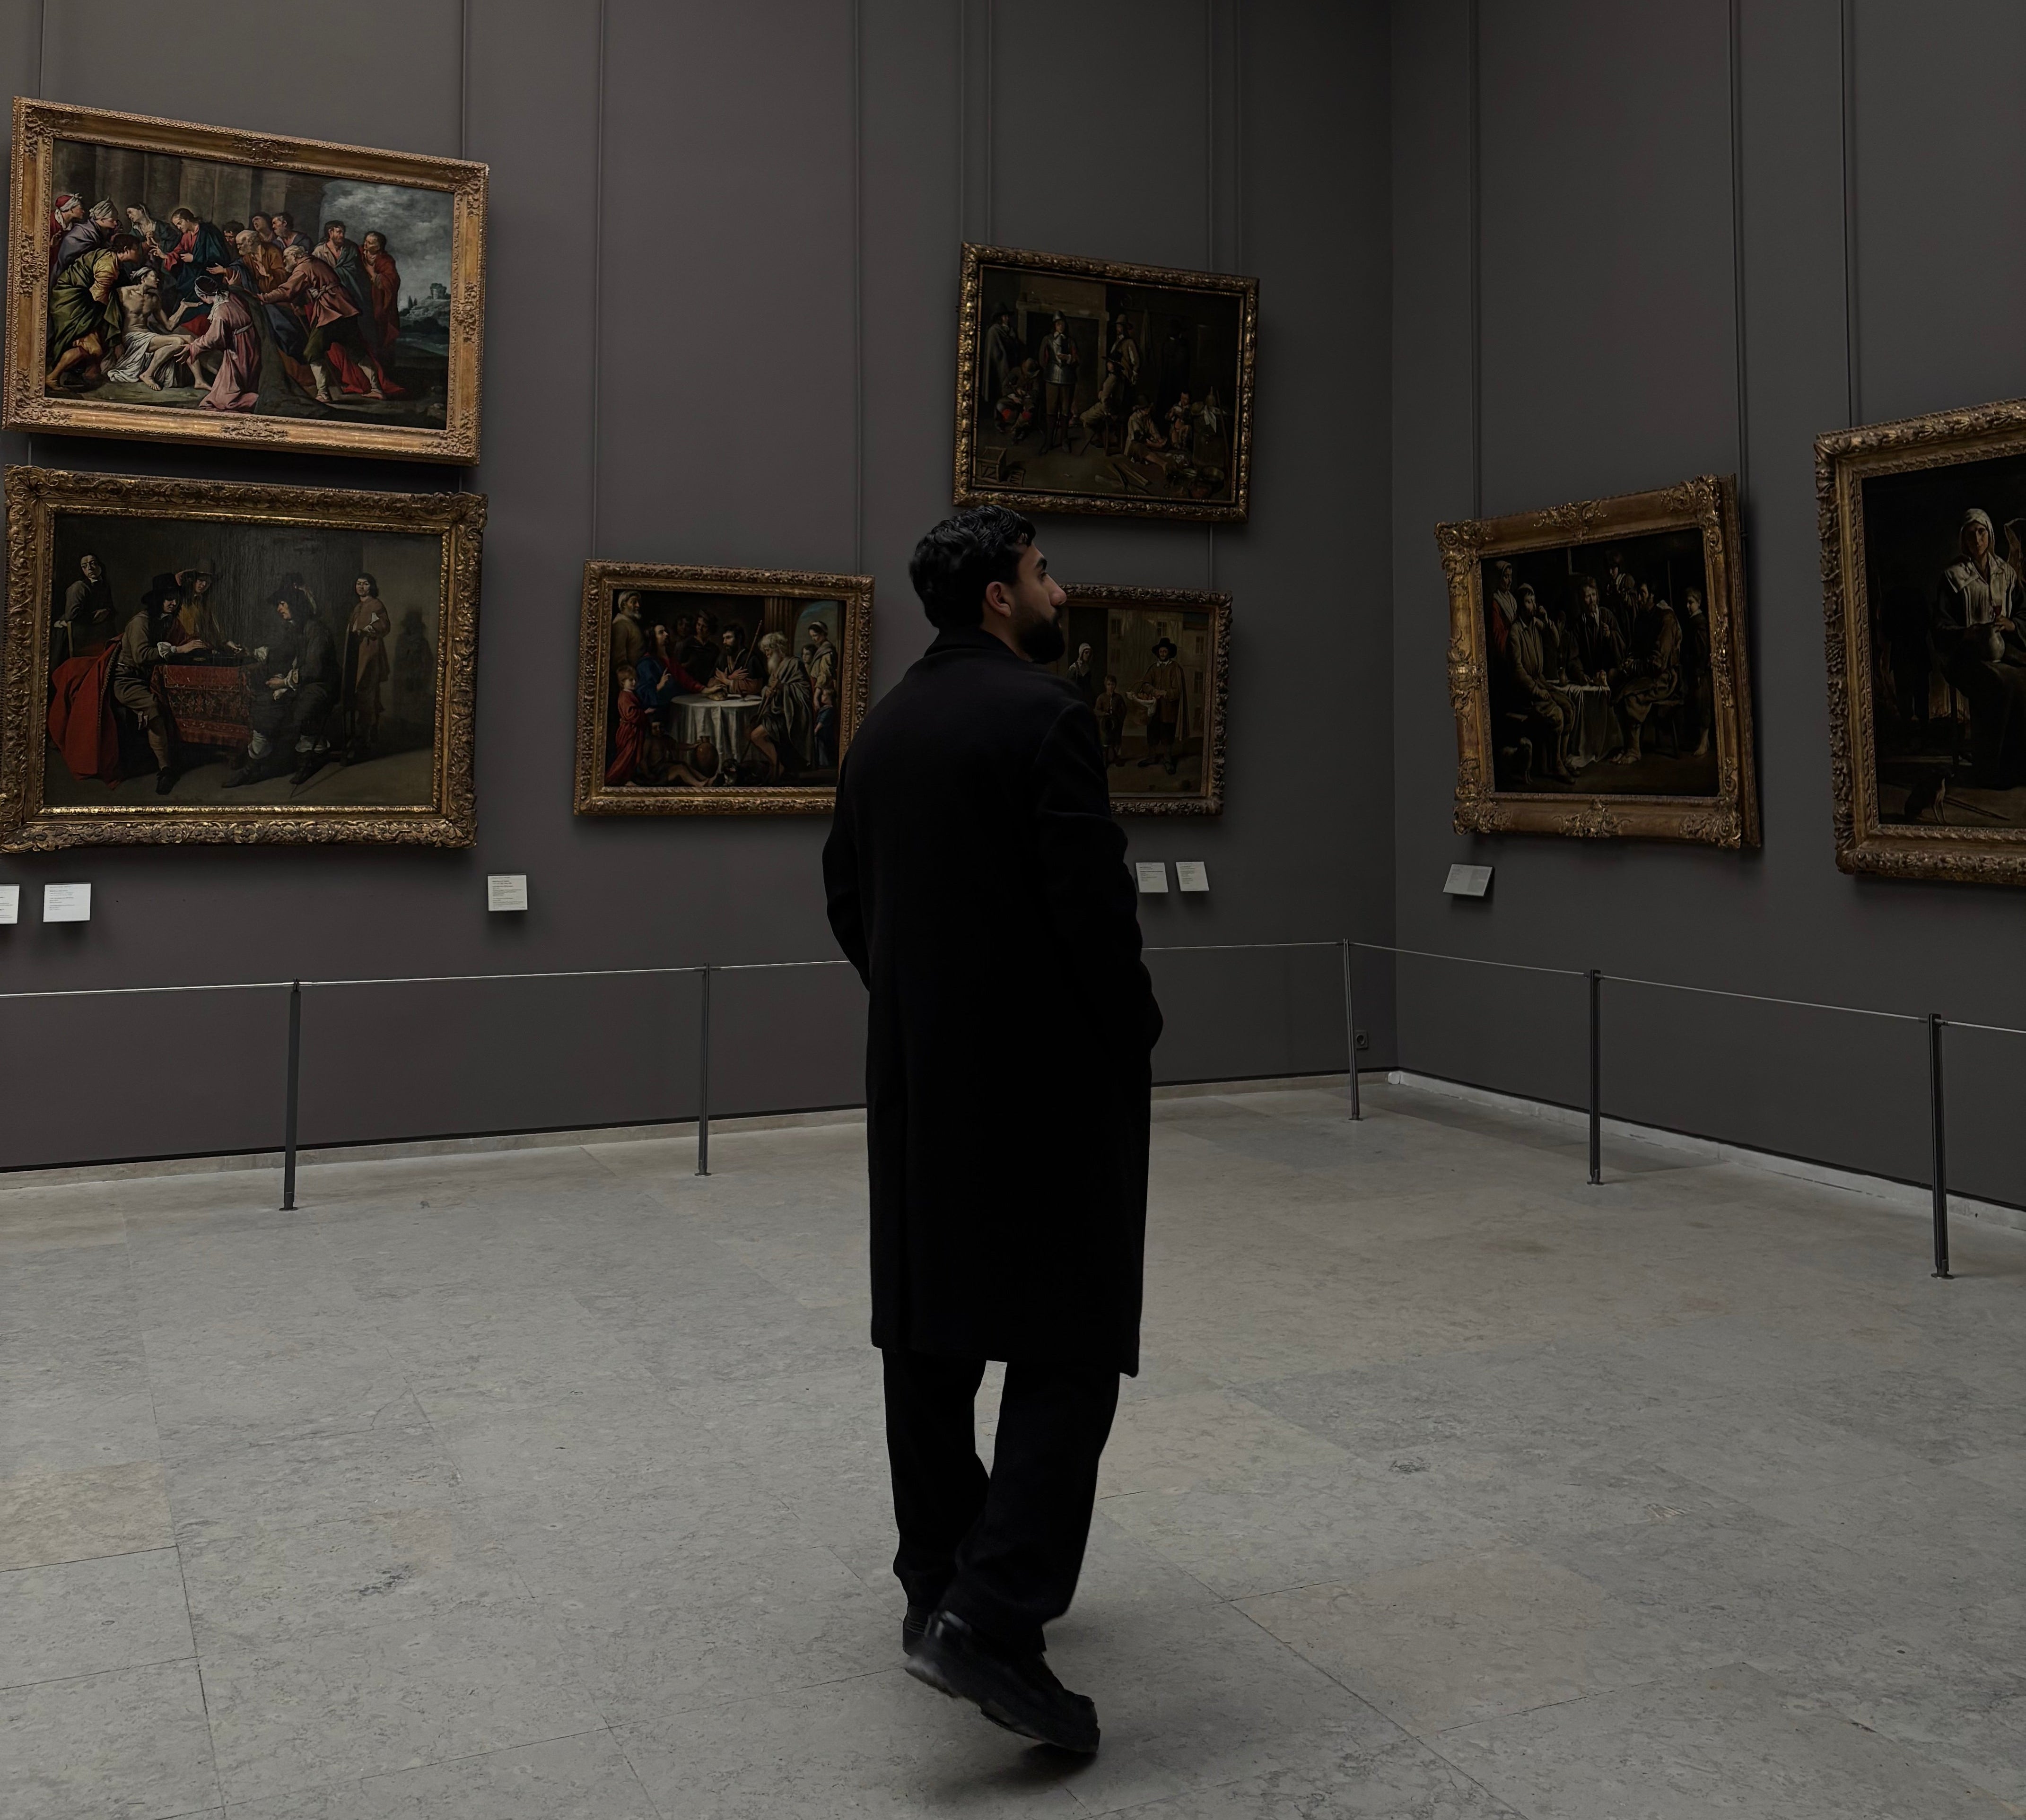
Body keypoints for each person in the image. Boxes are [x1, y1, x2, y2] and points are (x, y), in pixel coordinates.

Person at [822, 504, 1161, 1756]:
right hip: (1049, 1085)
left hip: (922, 1080)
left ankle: (937, 1584)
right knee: (1067, 1342)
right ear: (997, 597)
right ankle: (995, 1615)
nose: (1060, 590)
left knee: (930, 1335)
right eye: (1042, 572)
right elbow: (1093, 910)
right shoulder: (1044, 717)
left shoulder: (882, 728)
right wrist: (1130, 1031)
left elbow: (845, 896)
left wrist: (923, 1004)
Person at [1937, 506, 2026, 785]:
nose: (1977, 540)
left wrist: (2013, 625)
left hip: (2002, 649)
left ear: (1990, 535)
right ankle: (1993, 769)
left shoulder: (2006, 573)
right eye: (1970, 534)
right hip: (1966, 657)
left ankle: (2019, 765)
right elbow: (1939, 626)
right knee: (2003, 684)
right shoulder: (1953, 577)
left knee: (2022, 678)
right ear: (1963, 539)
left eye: (1981, 532)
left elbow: (2024, 612)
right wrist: (1965, 634)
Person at [226, 582, 340, 787]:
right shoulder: (295, 628)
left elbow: (315, 670)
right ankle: (254, 765)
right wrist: (252, 653)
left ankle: (310, 757)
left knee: (304, 709)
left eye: (282, 604)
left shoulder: (317, 630)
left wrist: (285, 683)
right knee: (265, 705)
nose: (279, 609)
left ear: (295, 604)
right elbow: (281, 654)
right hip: (301, 682)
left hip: (321, 685)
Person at [253, 244, 390, 402]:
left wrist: (264, 298)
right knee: (357, 352)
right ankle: (377, 389)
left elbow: (287, 291)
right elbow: (319, 288)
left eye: (286, 258)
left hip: (331, 313)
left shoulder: (304, 267)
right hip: (346, 310)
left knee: (312, 353)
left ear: (296, 257)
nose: (285, 262)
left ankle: (323, 394)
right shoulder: (317, 263)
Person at [114, 575, 202, 792]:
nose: (173, 603)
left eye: (176, 598)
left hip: (151, 677)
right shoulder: (140, 622)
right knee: (154, 706)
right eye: (168, 599)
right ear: (157, 600)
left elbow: (184, 640)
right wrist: (178, 650)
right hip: (128, 680)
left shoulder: (168, 620)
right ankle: (166, 769)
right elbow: (141, 656)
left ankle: (183, 752)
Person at [46, 233, 149, 389]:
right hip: (72, 302)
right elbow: (98, 295)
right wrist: (117, 308)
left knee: (98, 339)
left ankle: (90, 373)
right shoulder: (108, 266)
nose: (140, 252)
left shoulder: (111, 259)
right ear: (126, 250)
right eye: (137, 249)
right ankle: (53, 377)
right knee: (90, 346)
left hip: (81, 301)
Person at [1506, 583, 1577, 780]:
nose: (1533, 605)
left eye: (1534, 601)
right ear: (1521, 606)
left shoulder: (1536, 624)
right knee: (1557, 714)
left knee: (1569, 708)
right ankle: (1556, 765)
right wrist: (1537, 691)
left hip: (1541, 683)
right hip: (1525, 693)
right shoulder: (1515, 632)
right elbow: (1518, 671)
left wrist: (1547, 620)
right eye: (1529, 602)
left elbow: (1556, 641)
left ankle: (1563, 759)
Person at [1610, 583, 1681, 765]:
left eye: (1643, 594)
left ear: (1653, 596)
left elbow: (1658, 663)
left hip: (1665, 678)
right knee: (1615, 682)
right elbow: (1636, 647)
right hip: (1647, 673)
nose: (1639, 599)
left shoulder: (1666, 619)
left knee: (1630, 696)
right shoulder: (1643, 616)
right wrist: (1629, 660)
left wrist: (1634, 666)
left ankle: (1634, 750)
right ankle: (1625, 747)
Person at [181, 274, 262, 410]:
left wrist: (193, 347)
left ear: (204, 296)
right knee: (246, 375)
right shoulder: (231, 296)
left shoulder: (220, 312)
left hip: (239, 346)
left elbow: (214, 338)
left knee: (226, 395)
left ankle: (254, 400)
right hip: (251, 339)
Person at [744, 630, 813, 780]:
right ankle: (774, 764)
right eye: (765, 651)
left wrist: (783, 687)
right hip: (774, 714)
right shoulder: (776, 667)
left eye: (769, 650)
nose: (767, 654)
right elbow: (769, 689)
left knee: (756, 736)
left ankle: (777, 766)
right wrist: (767, 691)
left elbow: (805, 692)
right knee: (749, 730)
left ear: (778, 648)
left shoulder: (795, 664)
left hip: (788, 717)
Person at [341, 573, 393, 760]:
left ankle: (365, 738)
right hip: (355, 653)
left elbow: (384, 625)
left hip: (369, 654)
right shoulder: (357, 607)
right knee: (356, 692)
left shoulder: (376, 605)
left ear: (372, 586)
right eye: (359, 584)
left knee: (366, 692)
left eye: (365, 584)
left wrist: (372, 629)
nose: (361, 587)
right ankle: (360, 735)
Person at [1136, 636, 1188, 773]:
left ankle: (1168, 760)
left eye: (1165, 651)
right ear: (1158, 653)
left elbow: (1177, 691)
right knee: (1152, 732)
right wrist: (1153, 691)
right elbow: (1145, 684)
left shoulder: (1175, 668)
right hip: (1154, 708)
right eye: (1161, 651)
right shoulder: (1153, 668)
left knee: (1167, 735)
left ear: (1169, 652)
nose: (1163, 654)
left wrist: (1165, 693)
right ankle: (1152, 757)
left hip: (1169, 709)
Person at [1678, 585, 1713, 758]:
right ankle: (1702, 741)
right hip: (1694, 671)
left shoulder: (1699, 623)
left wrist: (1699, 671)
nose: (1688, 606)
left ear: (1699, 603)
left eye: (1691, 602)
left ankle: (1704, 743)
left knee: (1703, 705)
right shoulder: (1693, 622)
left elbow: (1702, 649)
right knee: (1697, 705)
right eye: (1687, 603)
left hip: (1700, 672)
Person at [60, 554, 115, 659]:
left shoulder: (104, 586)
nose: (90, 568)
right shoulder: (78, 587)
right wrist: (96, 616)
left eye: (93, 564)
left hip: (97, 636)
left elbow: (111, 610)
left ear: (100, 565)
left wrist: (107, 611)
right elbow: (72, 616)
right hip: (77, 639)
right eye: (84, 566)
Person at [360, 231, 402, 367]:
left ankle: (383, 366)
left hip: (380, 303)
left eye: (370, 243)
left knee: (381, 334)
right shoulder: (360, 254)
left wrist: (372, 273)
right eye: (366, 241)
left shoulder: (386, 261)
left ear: (378, 247)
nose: (366, 244)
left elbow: (392, 281)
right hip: (363, 299)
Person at [1040, 313, 1078, 452]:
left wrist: (1068, 358)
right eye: (1058, 324)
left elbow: (1077, 359)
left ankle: (1064, 440)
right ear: (1054, 326)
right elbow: (1042, 360)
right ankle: (1049, 442)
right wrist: (1051, 369)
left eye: (1063, 324)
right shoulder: (1048, 339)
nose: (1061, 327)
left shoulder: (1070, 341)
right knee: (1051, 411)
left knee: (1065, 411)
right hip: (1052, 378)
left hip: (1067, 379)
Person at [981, 305, 1021, 418]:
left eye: (1007, 316)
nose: (1007, 319)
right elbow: (995, 352)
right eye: (1004, 317)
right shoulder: (994, 331)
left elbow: (1015, 346)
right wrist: (1005, 356)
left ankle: (1007, 416)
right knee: (999, 390)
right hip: (999, 366)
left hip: (1010, 364)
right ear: (1000, 318)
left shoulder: (1010, 330)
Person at [1486, 560, 1520, 659]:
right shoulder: (1496, 603)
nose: (1510, 581)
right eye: (1506, 577)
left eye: (1510, 577)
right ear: (1499, 578)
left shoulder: (1512, 599)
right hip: (1508, 649)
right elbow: (1498, 635)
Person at [1093, 671, 1125, 765]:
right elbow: (1096, 710)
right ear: (1105, 686)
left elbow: (1124, 710)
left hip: (1116, 723)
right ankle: (1105, 759)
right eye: (1109, 685)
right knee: (1105, 740)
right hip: (1105, 723)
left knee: (1117, 740)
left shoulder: (1118, 698)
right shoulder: (1101, 697)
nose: (1111, 687)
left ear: (1115, 686)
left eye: (1113, 685)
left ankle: (1116, 757)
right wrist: (1104, 714)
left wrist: (1119, 718)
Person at [1065, 640, 1098, 708]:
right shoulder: (1073, 668)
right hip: (1075, 697)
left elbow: (1088, 686)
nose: (1088, 655)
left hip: (1086, 698)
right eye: (1086, 653)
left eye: (1089, 653)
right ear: (1081, 653)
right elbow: (1070, 686)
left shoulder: (1088, 669)